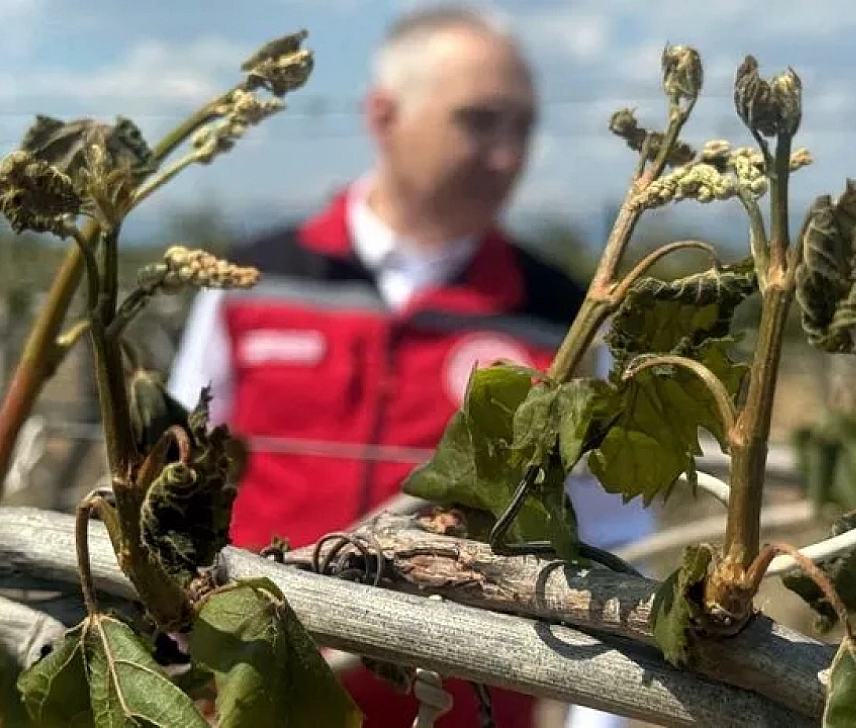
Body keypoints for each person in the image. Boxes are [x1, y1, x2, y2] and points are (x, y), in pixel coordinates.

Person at [167, 5, 653, 726]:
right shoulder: (251, 283)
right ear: (385, 115)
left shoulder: (563, 318)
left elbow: (612, 538)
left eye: (524, 127)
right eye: (481, 122)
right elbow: (177, 490)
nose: (510, 155)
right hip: (251, 704)